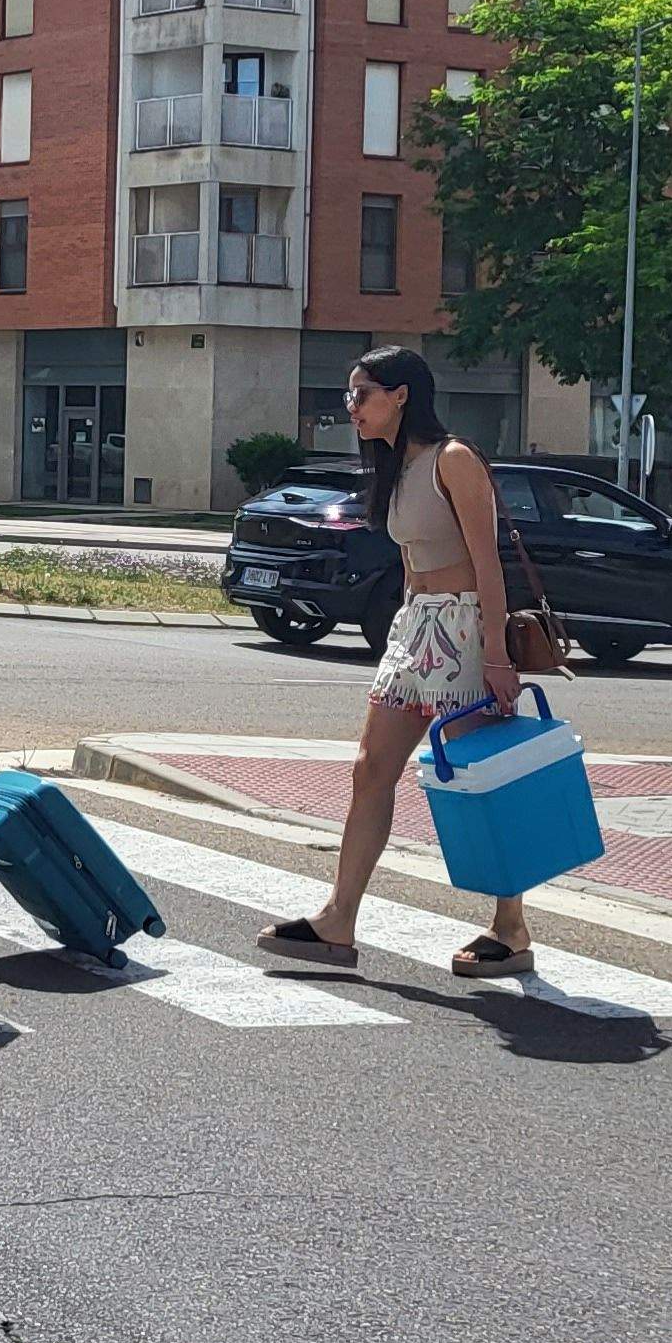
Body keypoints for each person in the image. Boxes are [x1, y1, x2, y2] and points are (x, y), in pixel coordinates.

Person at [259, 346, 537, 978]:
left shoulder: (455, 459)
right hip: (416, 629)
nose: (352, 407)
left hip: (464, 628)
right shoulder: (394, 465)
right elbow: (413, 561)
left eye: (363, 394)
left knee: (477, 779)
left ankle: (511, 928)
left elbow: (488, 564)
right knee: (370, 769)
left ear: (402, 395)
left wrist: (495, 656)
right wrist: (405, 627)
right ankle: (338, 920)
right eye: (350, 396)